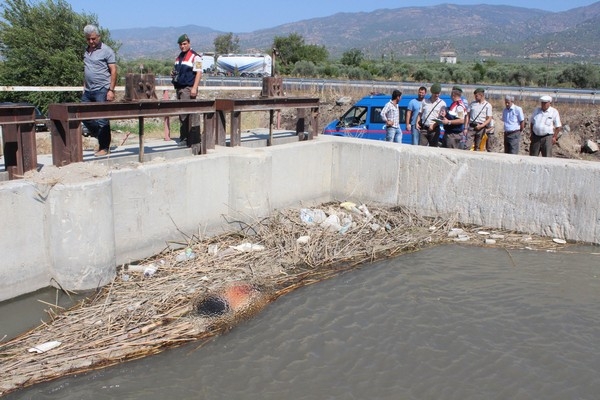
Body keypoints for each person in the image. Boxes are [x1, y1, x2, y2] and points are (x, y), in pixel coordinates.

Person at [82, 24, 117, 157]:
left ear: (99, 37)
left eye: (93, 39)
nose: (91, 41)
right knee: (83, 116)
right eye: (88, 39)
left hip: (102, 89)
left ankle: (104, 147)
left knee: (102, 119)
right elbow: (87, 71)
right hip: (88, 90)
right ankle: (101, 137)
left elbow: (113, 70)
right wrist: (84, 87)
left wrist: (111, 90)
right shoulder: (87, 51)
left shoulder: (107, 50)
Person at [172, 34, 203, 146]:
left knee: (186, 114)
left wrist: (194, 88)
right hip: (179, 88)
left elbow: (199, 73)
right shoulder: (179, 57)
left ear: (189, 43)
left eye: (184, 44)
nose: (182, 46)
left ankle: (187, 139)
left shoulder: (195, 57)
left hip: (188, 88)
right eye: (180, 44)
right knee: (182, 114)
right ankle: (184, 137)